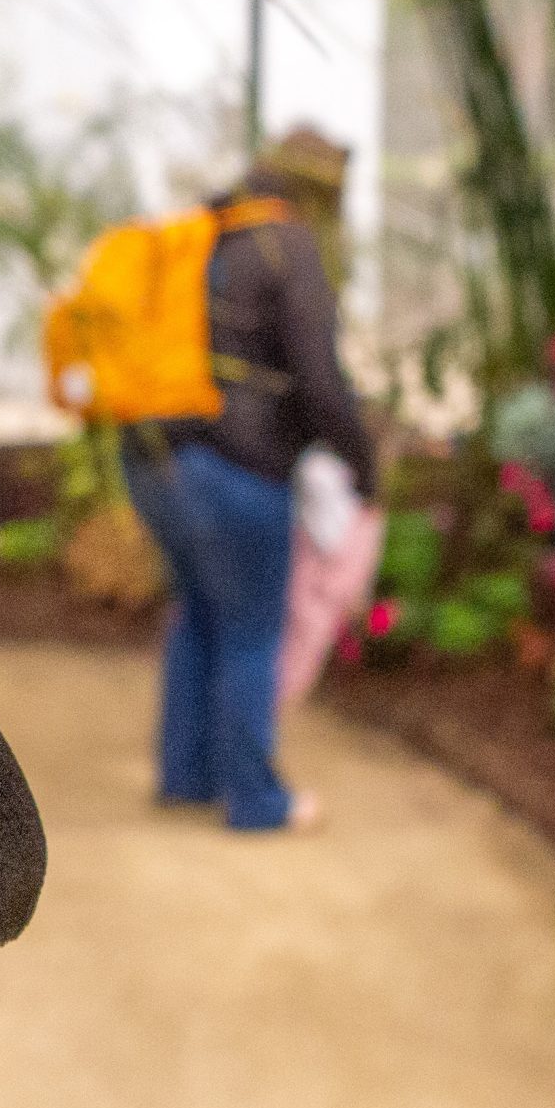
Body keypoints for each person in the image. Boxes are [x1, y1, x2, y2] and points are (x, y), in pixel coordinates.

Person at [122, 127, 376, 832]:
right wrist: (365, 467)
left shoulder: (204, 234)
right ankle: (256, 799)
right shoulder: (288, 248)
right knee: (251, 631)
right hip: (235, 468)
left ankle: (185, 776)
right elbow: (324, 386)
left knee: (199, 612)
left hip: (150, 460)